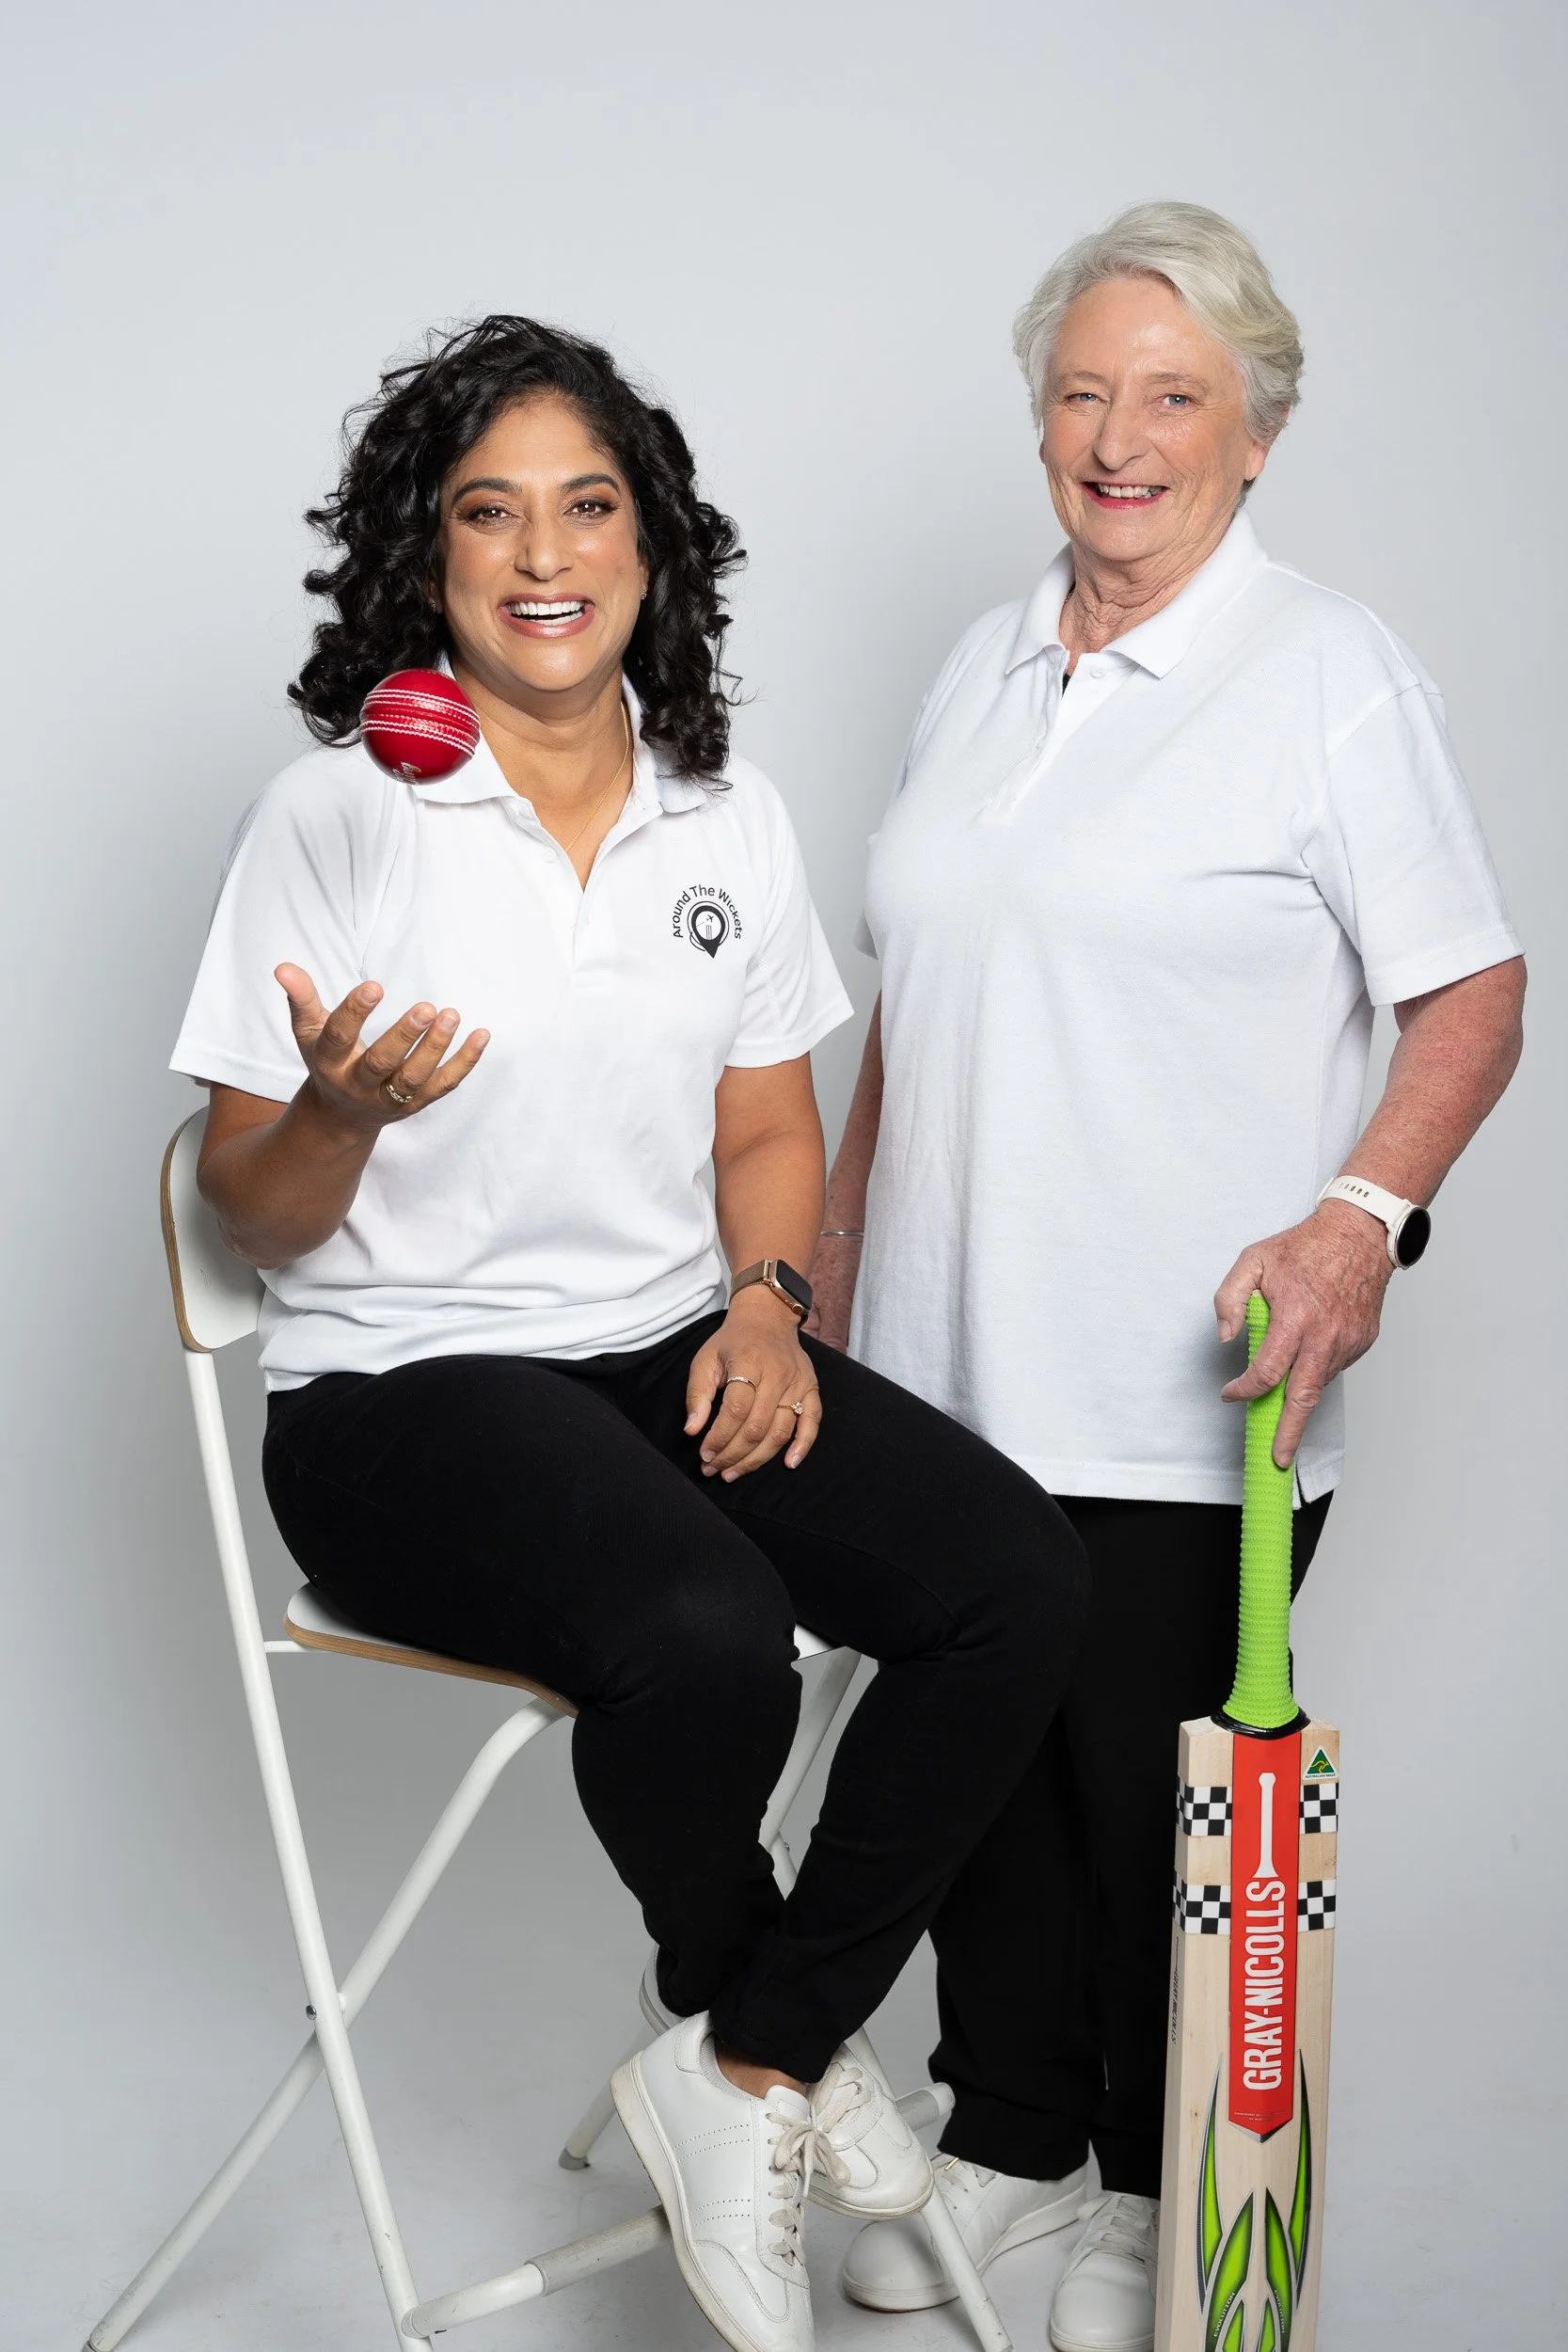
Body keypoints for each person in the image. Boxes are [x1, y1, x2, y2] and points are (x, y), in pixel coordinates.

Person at [169, 317, 1088, 2352]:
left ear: (650, 545)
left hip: (661, 1346)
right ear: (429, 559)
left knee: (1012, 1578)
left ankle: (745, 2055)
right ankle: (762, 2027)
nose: (542, 551)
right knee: (701, 1629)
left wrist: (766, 1301)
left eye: (587, 503)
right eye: (487, 512)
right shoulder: (332, 818)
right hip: (395, 1394)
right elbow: (245, 1199)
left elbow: (765, 1120)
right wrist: (332, 1113)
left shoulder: (719, 811)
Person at [816, 204, 1525, 2352]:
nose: (1115, 437)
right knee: (982, 1787)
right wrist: (819, 1294)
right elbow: (907, 1016)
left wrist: (1354, 1219)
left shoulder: (1321, 670)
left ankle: (1152, 2186)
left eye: (1171, 395)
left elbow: (1471, 993)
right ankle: (1010, 2139)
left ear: (1256, 429)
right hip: (940, 1373)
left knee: (1142, 1805)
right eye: (1079, 390)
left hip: (1178, 1389)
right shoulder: (982, 654)